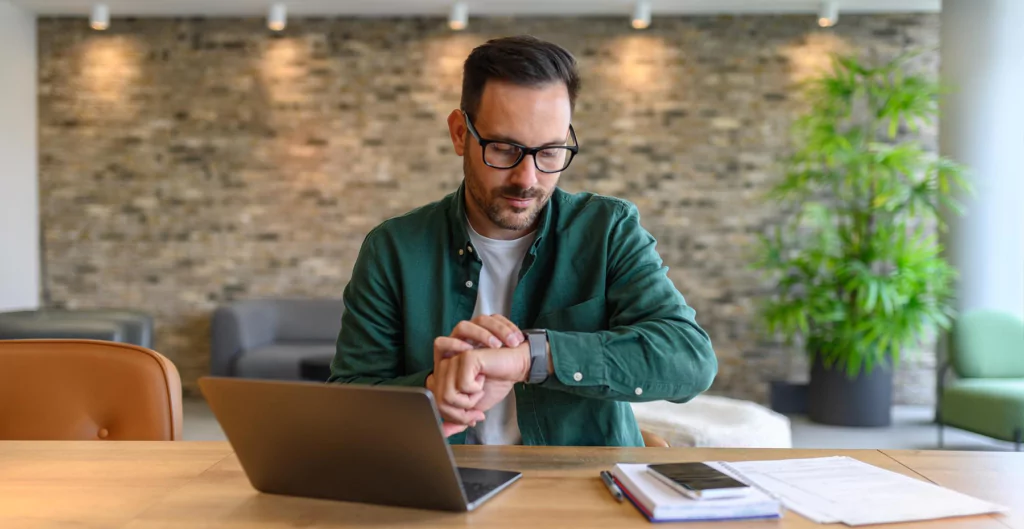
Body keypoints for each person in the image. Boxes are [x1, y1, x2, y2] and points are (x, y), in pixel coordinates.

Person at [328, 35, 716, 447]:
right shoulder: (394, 249)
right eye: (504, 148)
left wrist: (529, 358)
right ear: (461, 134)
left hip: (581, 491)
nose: (527, 180)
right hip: (446, 485)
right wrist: (431, 391)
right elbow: (348, 402)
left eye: (550, 152)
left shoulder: (607, 230)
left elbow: (689, 360)